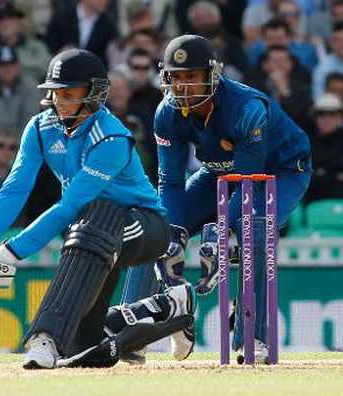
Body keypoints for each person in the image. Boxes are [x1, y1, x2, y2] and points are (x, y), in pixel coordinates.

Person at [0, 49, 197, 369]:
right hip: (92, 232)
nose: (60, 101)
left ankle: (44, 338)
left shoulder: (112, 136)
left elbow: (70, 204)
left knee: (92, 223)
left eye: (70, 93)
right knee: (85, 345)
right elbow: (14, 190)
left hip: (145, 225)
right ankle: (169, 305)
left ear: (94, 94)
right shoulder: (40, 128)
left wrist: (10, 252)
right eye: (55, 93)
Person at [124, 35, 311, 364]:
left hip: (281, 170)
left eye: (192, 76)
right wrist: (174, 234)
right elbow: (169, 181)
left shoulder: (247, 109)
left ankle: (254, 337)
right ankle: (134, 334)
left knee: (252, 225)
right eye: (177, 77)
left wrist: (220, 233)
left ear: (212, 74)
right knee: (154, 228)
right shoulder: (167, 112)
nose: (184, 87)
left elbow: (247, 185)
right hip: (218, 172)